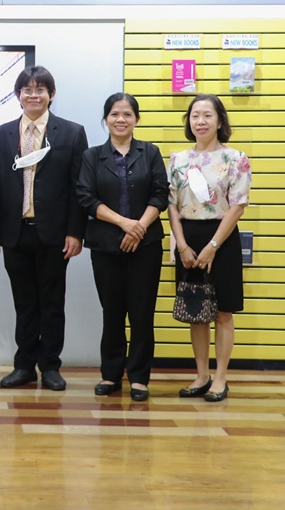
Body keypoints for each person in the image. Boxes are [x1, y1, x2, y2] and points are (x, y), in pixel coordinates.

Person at [0, 66, 87, 391]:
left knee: (52, 304)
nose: (33, 95)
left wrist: (76, 232)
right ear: (18, 96)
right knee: (24, 304)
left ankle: (51, 367)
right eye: (27, 89)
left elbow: (79, 188)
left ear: (51, 95)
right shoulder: (0, 135)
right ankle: (24, 366)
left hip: (55, 235)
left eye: (40, 89)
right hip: (15, 233)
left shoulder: (71, 133)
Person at [76, 93, 168, 401]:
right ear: (106, 119)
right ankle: (111, 373)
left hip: (146, 245)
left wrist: (138, 227)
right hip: (106, 245)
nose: (121, 119)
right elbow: (86, 198)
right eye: (115, 114)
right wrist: (124, 224)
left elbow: (160, 194)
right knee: (112, 312)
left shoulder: (150, 152)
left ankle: (139, 378)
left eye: (127, 114)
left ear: (136, 120)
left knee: (142, 313)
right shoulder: (92, 156)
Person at [167, 94, 251, 402]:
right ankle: (201, 375)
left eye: (207, 115)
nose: (200, 121)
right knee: (196, 311)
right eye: (195, 116)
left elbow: (238, 205)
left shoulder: (235, 158)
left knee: (223, 311)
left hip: (223, 239)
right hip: (188, 238)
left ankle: (220, 378)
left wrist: (213, 245)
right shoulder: (177, 159)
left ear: (219, 121)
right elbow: (171, 205)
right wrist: (182, 245)